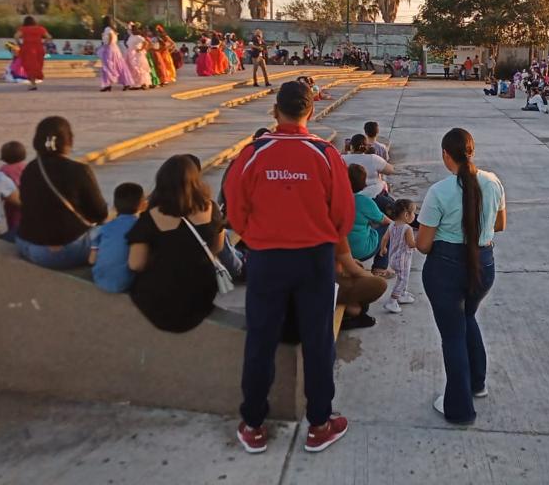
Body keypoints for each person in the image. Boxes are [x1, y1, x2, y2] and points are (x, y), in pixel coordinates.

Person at [223, 81, 354, 454]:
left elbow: (235, 211)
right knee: (318, 341)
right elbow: (343, 215)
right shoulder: (325, 154)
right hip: (314, 259)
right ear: (310, 112)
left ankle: (253, 424)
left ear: (275, 112)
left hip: (265, 259)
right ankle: (319, 424)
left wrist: (259, 236)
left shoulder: (252, 154)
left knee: (260, 339)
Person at [416, 128, 506, 425]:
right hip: (484, 264)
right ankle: (477, 382)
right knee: (466, 318)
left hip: (446, 268)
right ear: (472, 151)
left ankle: (459, 407)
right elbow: (500, 225)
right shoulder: (493, 182)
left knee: (452, 334)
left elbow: (424, 244)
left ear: (445, 155)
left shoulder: (439, 192)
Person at [127, 156, 224, 330]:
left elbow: (136, 264)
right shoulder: (212, 208)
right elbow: (218, 247)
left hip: (162, 299)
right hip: (202, 295)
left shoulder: (151, 218)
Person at [17, 117, 108, 268]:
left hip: (24, 244)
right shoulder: (79, 170)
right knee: (116, 232)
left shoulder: (30, 168)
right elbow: (99, 214)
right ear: (69, 140)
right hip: (55, 253)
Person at [90, 183, 146, 293]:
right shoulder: (140, 227)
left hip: (98, 279)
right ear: (142, 205)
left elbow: (92, 260)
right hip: (125, 283)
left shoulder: (104, 228)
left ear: (115, 206)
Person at [347, 164, 393, 276]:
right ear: (364, 184)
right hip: (362, 251)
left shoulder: (334, 199)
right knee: (390, 228)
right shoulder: (364, 201)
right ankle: (380, 268)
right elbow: (387, 222)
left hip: (339, 251)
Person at [381, 199, 418, 313]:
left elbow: (385, 238)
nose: (414, 216)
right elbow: (411, 244)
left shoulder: (392, 224)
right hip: (403, 260)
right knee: (402, 279)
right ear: (406, 215)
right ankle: (392, 301)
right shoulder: (407, 229)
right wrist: (420, 241)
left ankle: (402, 294)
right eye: (413, 213)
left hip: (393, 258)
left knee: (403, 277)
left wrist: (383, 248)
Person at [343, 133, 394, 205]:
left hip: (349, 194)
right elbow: (390, 170)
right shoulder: (373, 158)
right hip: (374, 194)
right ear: (366, 146)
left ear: (351, 146)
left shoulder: (342, 159)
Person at [0, 140, 26, 240]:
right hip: (26, 200)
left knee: (13, 222)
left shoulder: (4, 170)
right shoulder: (26, 166)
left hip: (11, 203)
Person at [98, 15, 133, 92]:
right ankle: (125, 83)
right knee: (119, 66)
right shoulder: (113, 29)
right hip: (115, 48)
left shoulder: (107, 29)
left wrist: (107, 45)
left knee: (107, 67)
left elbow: (110, 36)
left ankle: (107, 85)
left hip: (109, 48)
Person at [15, 15, 50, 90]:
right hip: (38, 48)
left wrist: (19, 44)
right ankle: (33, 83)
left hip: (27, 48)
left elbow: (16, 36)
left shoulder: (23, 29)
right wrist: (43, 43)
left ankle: (33, 83)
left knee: (29, 66)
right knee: (37, 65)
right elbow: (49, 37)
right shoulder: (40, 28)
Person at [124, 25, 152, 89]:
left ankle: (142, 83)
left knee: (139, 68)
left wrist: (141, 49)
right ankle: (135, 83)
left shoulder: (138, 37)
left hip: (137, 54)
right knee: (132, 68)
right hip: (130, 53)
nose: (132, 31)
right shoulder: (131, 36)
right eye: (132, 30)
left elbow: (146, 43)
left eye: (133, 30)